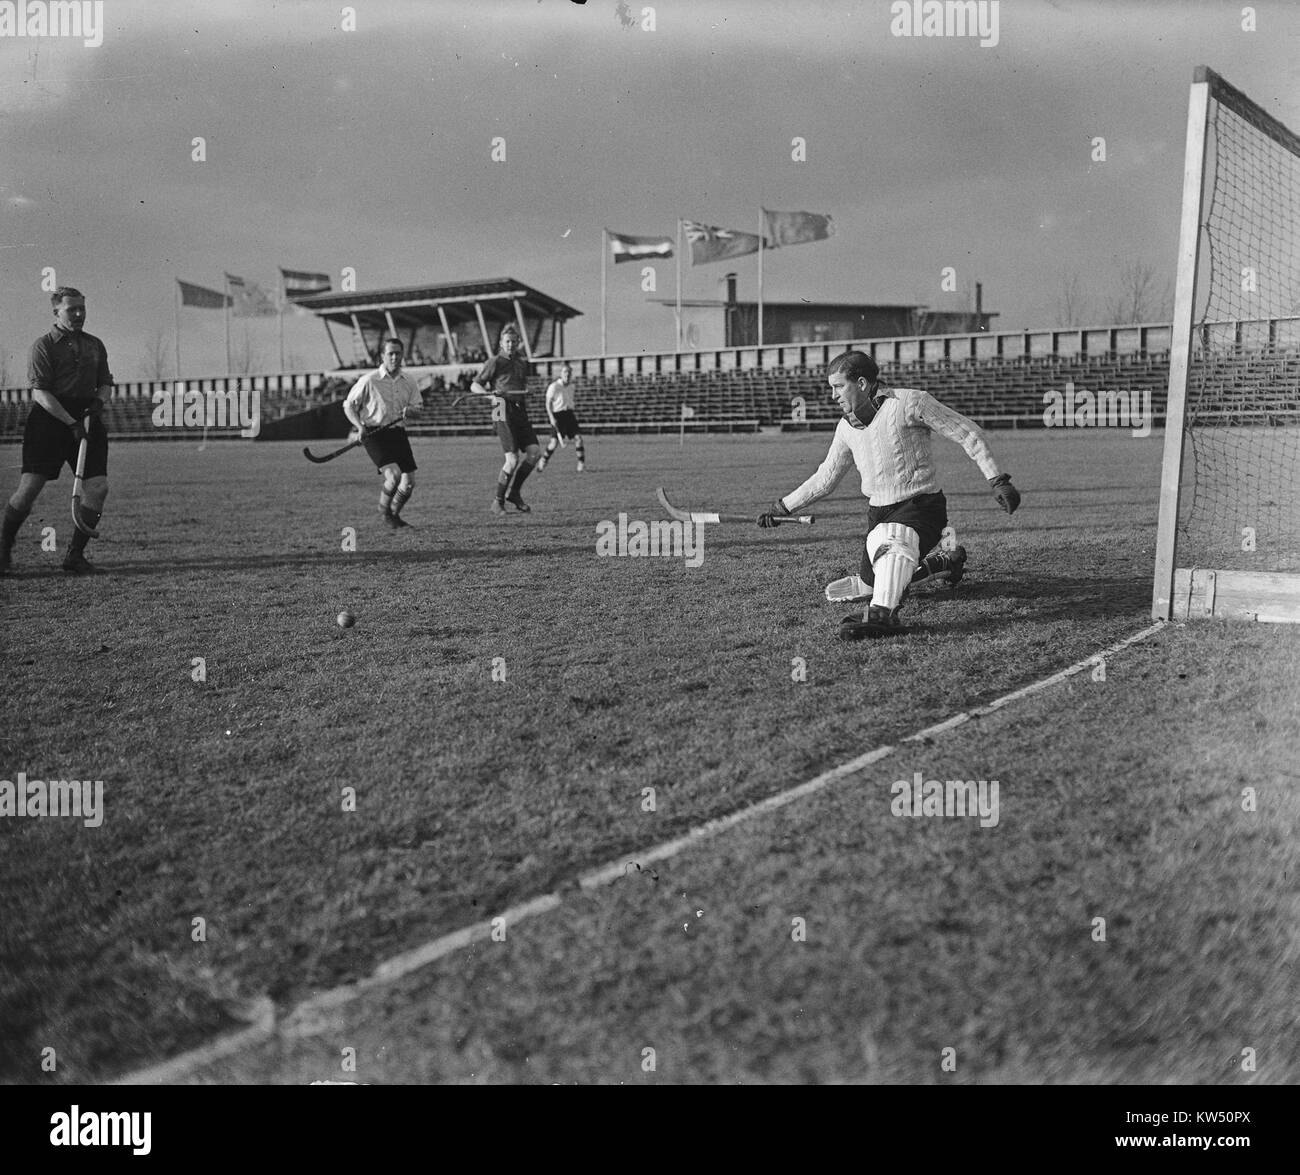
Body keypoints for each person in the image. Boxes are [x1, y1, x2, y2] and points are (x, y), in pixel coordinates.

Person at [759, 350, 1021, 639]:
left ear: (861, 383)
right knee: (872, 582)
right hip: (879, 514)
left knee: (890, 545)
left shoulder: (910, 402)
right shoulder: (846, 427)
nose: (832, 395)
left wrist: (998, 479)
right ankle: (944, 563)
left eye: (837, 386)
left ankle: (884, 615)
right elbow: (825, 478)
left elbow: (966, 432)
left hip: (921, 507)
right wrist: (782, 508)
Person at [0, 287, 113, 576]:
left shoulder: (95, 345)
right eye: (71, 309)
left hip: (87, 419)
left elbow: (104, 383)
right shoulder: (43, 346)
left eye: (82, 309)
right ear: (56, 312)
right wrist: (69, 422)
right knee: (29, 490)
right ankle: (3, 549)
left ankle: (75, 556)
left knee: (98, 488)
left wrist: (97, 404)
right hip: (50, 420)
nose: (78, 314)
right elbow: (40, 394)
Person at [342, 337, 423, 529]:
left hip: (398, 433)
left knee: (409, 483)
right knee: (393, 476)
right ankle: (385, 512)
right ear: (382, 356)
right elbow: (348, 406)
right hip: (374, 433)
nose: (394, 357)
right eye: (390, 353)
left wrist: (412, 412)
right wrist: (359, 427)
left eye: (398, 353)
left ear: (403, 355)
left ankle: (393, 514)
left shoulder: (409, 381)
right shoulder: (369, 380)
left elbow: (418, 410)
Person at [472, 324, 540, 514]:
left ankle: (515, 494)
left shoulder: (521, 362)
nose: (510, 345)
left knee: (534, 453)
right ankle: (497, 501)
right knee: (512, 459)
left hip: (519, 410)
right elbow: (475, 386)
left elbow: (520, 385)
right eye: (507, 342)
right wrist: (491, 397)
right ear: (502, 343)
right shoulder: (494, 361)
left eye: (513, 341)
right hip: (501, 409)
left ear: (518, 343)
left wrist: (528, 392)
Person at [537, 362, 586, 473]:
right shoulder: (554, 386)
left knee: (578, 439)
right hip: (557, 415)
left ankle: (581, 464)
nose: (567, 374)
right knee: (554, 443)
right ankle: (543, 462)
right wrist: (551, 417)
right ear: (561, 373)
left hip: (569, 414)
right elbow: (548, 403)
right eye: (565, 372)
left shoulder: (572, 386)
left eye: (569, 372)